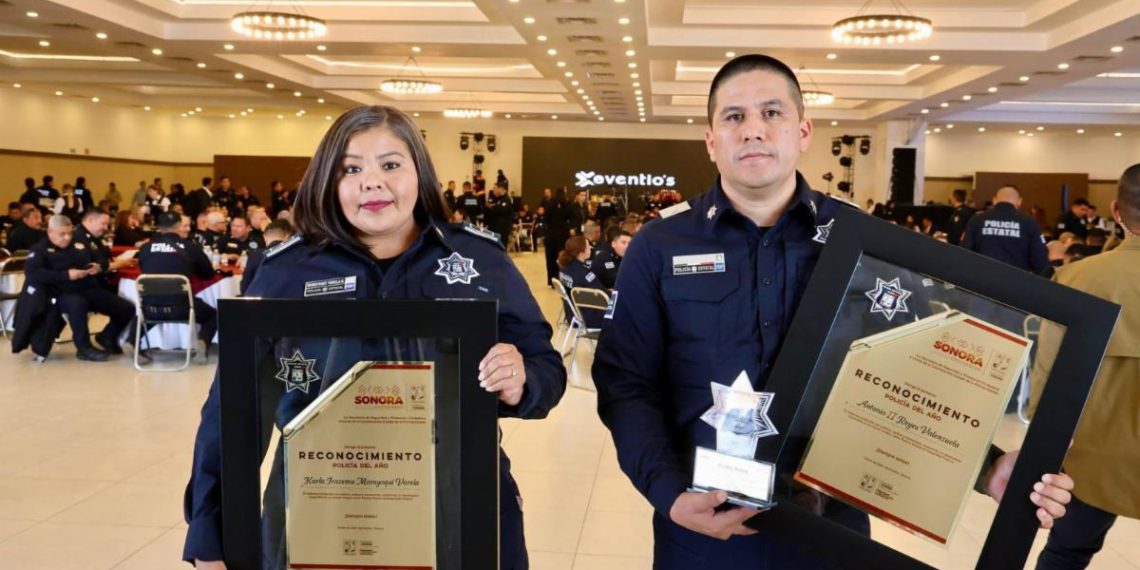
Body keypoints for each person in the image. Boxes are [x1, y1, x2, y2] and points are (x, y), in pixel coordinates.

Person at [591, 54, 1073, 569]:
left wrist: (987, 467)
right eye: (734, 117)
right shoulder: (660, 246)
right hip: (701, 531)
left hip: (832, 532)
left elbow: (916, 382)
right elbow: (626, 384)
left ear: (803, 132)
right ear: (711, 141)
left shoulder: (866, 247)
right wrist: (668, 494)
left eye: (771, 113)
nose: (753, 129)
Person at [183, 105, 566, 570]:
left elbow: (545, 367)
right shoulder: (286, 270)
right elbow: (232, 409)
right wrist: (209, 532)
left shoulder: (479, 260)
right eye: (351, 168)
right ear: (329, 180)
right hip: (318, 507)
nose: (372, 181)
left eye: (390, 164)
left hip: (459, 505)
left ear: (419, 174)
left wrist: (521, 380)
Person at [1029, 163, 1140, 570]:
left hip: (1092, 459)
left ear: (1115, 210)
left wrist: (1040, 449)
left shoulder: (1075, 277)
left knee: (1066, 554)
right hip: (1096, 457)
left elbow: (1048, 375)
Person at [24, 215, 134, 361]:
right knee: (78, 304)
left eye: (70, 233)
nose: (67, 237)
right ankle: (84, 348)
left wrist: (98, 267)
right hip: (59, 292)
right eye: (62, 234)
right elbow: (33, 274)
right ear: (50, 231)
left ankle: (107, 337)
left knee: (126, 308)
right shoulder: (40, 249)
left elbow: (101, 258)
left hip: (86, 286)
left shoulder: (80, 243)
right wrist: (66, 275)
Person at [137, 212, 218, 364]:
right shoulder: (190, 248)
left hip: (151, 308)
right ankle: (203, 342)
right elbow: (207, 274)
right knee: (214, 315)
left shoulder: (145, 248)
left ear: (158, 227)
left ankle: (131, 341)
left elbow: (143, 270)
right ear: (179, 226)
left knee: (143, 311)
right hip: (182, 307)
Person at [962, 185, 1049, 273]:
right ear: (1019, 201)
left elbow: (964, 252)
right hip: (1016, 281)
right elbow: (1040, 261)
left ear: (994, 200)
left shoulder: (977, 219)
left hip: (981, 278)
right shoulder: (1030, 223)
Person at [73, 209, 135, 285]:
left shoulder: (96, 236)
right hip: (89, 284)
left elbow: (103, 257)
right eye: (103, 224)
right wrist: (123, 263)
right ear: (91, 220)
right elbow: (92, 267)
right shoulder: (78, 237)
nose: (106, 228)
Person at [240, 218, 293, 295]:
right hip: (289, 303)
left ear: (264, 236)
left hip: (260, 303)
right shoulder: (295, 255)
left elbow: (244, 287)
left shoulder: (255, 256)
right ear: (288, 236)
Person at [543, 188, 570, 285]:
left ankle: (551, 279)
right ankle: (561, 278)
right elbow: (568, 217)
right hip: (562, 235)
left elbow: (546, 218)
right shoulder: (566, 204)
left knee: (550, 257)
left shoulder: (550, 203)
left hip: (551, 235)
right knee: (561, 257)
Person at [484, 183, 514, 247]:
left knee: (501, 246)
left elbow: (502, 209)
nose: (493, 190)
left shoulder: (506, 199)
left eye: (495, 188)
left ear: (500, 189)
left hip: (502, 228)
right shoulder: (496, 199)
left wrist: (492, 207)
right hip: (494, 227)